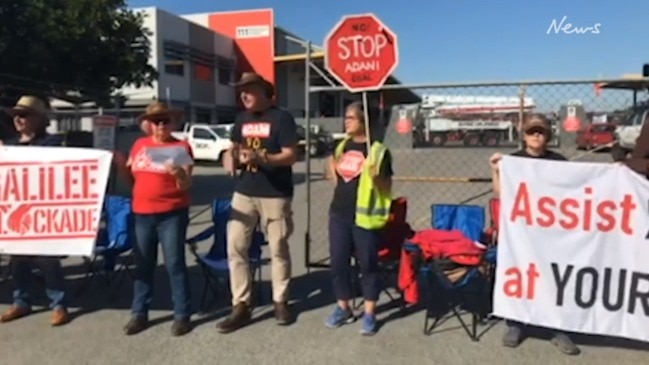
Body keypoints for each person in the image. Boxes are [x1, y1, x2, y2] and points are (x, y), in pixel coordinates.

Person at [489, 114, 580, 356]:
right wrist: (496, 170)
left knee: (552, 277)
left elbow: (575, 190)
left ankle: (556, 327)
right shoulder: (514, 161)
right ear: (524, 135)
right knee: (520, 274)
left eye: (540, 131)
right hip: (522, 232)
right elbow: (500, 194)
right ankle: (516, 324)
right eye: (532, 132)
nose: (536, 135)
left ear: (548, 135)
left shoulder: (558, 161)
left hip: (552, 232)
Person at [217, 72, 299, 334]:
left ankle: (280, 301)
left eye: (249, 89)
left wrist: (263, 158)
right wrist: (229, 158)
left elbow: (290, 156)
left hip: (275, 194)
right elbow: (233, 148)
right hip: (244, 192)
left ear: (264, 92)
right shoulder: (241, 119)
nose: (244, 94)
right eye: (241, 90)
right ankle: (241, 304)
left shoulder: (282, 118)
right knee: (235, 246)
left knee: (278, 248)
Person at [114, 101, 194, 337]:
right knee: (143, 265)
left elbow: (186, 185)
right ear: (148, 124)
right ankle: (139, 312)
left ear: (172, 122)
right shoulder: (139, 145)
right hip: (142, 213)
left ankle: (182, 315)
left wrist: (179, 173)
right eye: (156, 121)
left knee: (175, 264)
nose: (160, 125)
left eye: (165, 120)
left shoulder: (181, 147)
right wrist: (120, 167)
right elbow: (132, 181)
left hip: (172, 213)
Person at [324, 101, 393, 336]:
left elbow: (387, 186)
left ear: (364, 121)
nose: (346, 121)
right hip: (339, 213)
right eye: (346, 117)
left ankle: (370, 313)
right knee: (338, 263)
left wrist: (376, 177)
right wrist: (330, 168)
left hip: (364, 218)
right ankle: (344, 307)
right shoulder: (342, 146)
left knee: (368, 266)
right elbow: (336, 178)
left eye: (351, 118)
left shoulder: (378, 150)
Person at [0, 95, 70, 326]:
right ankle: (21, 301)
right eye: (16, 116)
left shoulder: (52, 144)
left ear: (39, 119)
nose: (19, 119)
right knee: (17, 260)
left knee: (47, 260)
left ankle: (58, 304)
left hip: (43, 212)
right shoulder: (8, 145)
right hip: (16, 210)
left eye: (24, 115)